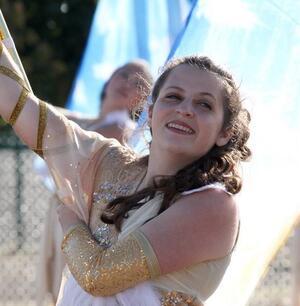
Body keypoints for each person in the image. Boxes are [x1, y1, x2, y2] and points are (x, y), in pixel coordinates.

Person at [0, 36, 251, 306]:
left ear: (225, 132)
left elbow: (99, 276)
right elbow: (18, 103)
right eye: (174, 97)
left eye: (204, 104)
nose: (184, 110)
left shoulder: (213, 205)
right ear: (151, 112)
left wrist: (70, 221)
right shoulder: (108, 163)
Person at [35, 60, 153, 306]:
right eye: (123, 75)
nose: (127, 83)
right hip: (60, 212)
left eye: (137, 82)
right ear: (108, 81)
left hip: (83, 221)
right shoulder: (88, 123)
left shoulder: (121, 129)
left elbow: (47, 120)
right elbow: (46, 112)